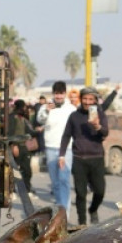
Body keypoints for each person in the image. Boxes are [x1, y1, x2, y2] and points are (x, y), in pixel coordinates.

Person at [59, 87, 109, 225]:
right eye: (85, 99)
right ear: (81, 99)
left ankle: (93, 209)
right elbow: (66, 136)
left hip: (97, 158)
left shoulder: (100, 114)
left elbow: (105, 132)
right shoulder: (74, 116)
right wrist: (61, 155)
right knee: (80, 194)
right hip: (79, 159)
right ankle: (82, 224)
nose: (87, 102)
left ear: (95, 101)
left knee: (100, 191)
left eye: (90, 99)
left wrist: (97, 126)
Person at [36, 81, 76, 217]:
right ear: (53, 94)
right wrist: (47, 110)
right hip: (51, 148)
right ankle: (60, 209)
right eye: (56, 94)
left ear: (65, 94)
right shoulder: (45, 107)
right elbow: (40, 120)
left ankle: (65, 213)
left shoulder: (71, 109)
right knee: (55, 182)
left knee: (64, 180)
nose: (59, 96)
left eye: (61, 94)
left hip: (67, 149)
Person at [7, 99, 35, 197]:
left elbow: (29, 130)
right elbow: (10, 132)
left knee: (27, 170)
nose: (25, 109)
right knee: (14, 170)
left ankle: (27, 189)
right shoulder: (12, 117)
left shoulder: (24, 117)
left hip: (24, 146)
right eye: (24, 107)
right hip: (16, 146)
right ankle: (12, 191)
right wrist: (13, 145)